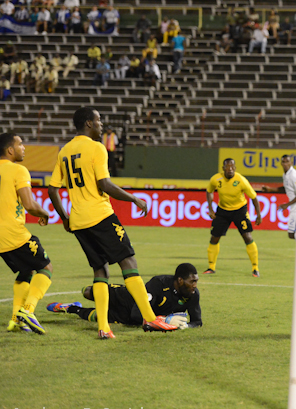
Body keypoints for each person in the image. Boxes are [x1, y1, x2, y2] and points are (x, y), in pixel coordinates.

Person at [47, 107, 177, 339]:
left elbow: (52, 189)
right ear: (88, 123)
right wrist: (134, 198)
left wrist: (65, 217)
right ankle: (150, 318)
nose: (101, 124)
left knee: (100, 270)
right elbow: (105, 184)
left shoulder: (64, 151)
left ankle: (104, 327)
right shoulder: (96, 148)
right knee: (128, 262)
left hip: (79, 221)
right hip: (100, 215)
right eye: (98, 120)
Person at [0, 133, 53, 334]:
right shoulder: (18, 170)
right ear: (10, 150)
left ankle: (16, 319)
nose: (24, 148)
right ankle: (28, 311)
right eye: (20, 144)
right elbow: (29, 204)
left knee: (26, 270)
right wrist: (45, 213)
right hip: (12, 232)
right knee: (45, 268)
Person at [48, 263, 202, 329]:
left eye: (196, 281)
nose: (195, 285)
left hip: (127, 317)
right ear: (180, 281)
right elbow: (137, 313)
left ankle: (71, 308)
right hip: (125, 297)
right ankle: (83, 298)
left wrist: (185, 326)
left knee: (98, 316)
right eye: (192, 281)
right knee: (88, 292)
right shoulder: (159, 284)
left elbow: (197, 321)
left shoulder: (193, 295)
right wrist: (164, 321)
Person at [204, 158, 262, 277]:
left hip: (240, 210)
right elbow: (209, 191)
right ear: (223, 168)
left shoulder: (241, 180)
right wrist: (210, 208)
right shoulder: (216, 179)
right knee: (214, 237)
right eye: (227, 167)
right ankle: (211, 267)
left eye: (232, 167)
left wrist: (258, 215)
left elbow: (254, 197)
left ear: (235, 168)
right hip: (223, 210)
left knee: (247, 237)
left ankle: (255, 268)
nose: (230, 169)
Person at [261, 155, 296, 239]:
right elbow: (286, 188)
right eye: (283, 162)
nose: (285, 164)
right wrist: (270, 189)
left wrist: (287, 205)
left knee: (292, 234)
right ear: (281, 163)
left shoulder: (293, 175)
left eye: (287, 162)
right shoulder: (285, 175)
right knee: (295, 233)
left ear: (291, 163)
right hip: (294, 206)